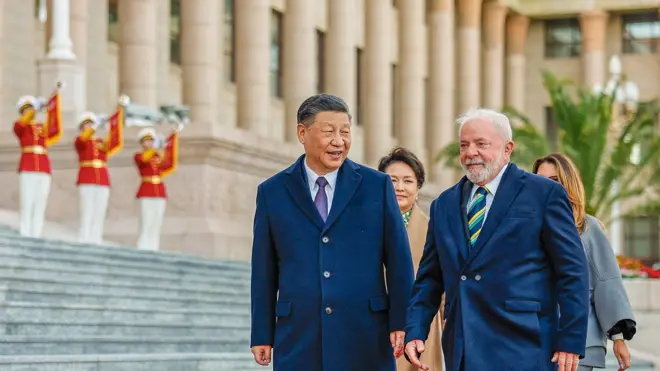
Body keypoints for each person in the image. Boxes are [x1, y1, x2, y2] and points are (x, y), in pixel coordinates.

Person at [404, 108, 589, 371]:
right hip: (463, 348)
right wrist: (415, 330)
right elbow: (430, 278)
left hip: (525, 347)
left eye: (481, 144)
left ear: (507, 148)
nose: (470, 153)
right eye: (464, 145)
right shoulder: (443, 204)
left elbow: (572, 271)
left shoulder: (544, 194)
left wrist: (570, 339)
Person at [250, 94, 415, 371]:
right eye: (329, 132)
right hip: (298, 336)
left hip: (365, 335)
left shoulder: (377, 186)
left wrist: (402, 320)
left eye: (345, 132)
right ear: (302, 133)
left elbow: (399, 261)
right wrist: (262, 333)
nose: (339, 141)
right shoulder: (272, 192)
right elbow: (264, 269)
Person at [533, 153, 636, 371]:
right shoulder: (528, 228)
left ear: (568, 184)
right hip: (536, 339)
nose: (545, 187)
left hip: (581, 341)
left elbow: (607, 281)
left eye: (554, 181)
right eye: (539, 181)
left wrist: (618, 338)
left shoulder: (587, 227)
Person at [378, 147, 444, 371]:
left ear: (418, 188)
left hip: (419, 328)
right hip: (376, 324)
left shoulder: (433, 229)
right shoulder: (362, 228)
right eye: (392, 180)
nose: (399, 187)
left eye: (408, 181)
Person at [13, 94, 62, 238]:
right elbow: (21, 125)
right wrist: (35, 109)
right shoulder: (19, 125)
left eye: (31, 109)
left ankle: (37, 232)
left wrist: (52, 106)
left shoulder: (41, 128)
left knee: (40, 201)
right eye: (26, 110)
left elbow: (54, 129)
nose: (29, 112)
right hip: (27, 166)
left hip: (43, 167)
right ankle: (25, 232)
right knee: (27, 200)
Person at [75, 109, 123, 244]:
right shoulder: (80, 140)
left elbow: (115, 142)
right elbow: (83, 140)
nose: (90, 126)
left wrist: (115, 121)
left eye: (91, 124)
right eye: (87, 124)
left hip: (102, 179)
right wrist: (96, 125)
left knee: (99, 210)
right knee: (87, 209)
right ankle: (84, 237)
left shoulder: (100, 142)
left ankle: (96, 237)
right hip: (87, 178)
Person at [134, 126, 179, 251]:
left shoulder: (157, 157)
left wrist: (172, 141)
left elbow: (168, 164)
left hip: (158, 191)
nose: (149, 143)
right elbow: (143, 161)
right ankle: (143, 245)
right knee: (146, 220)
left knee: (156, 220)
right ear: (142, 143)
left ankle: (153, 246)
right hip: (146, 190)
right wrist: (154, 150)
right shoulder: (139, 156)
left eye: (151, 141)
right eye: (146, 141)